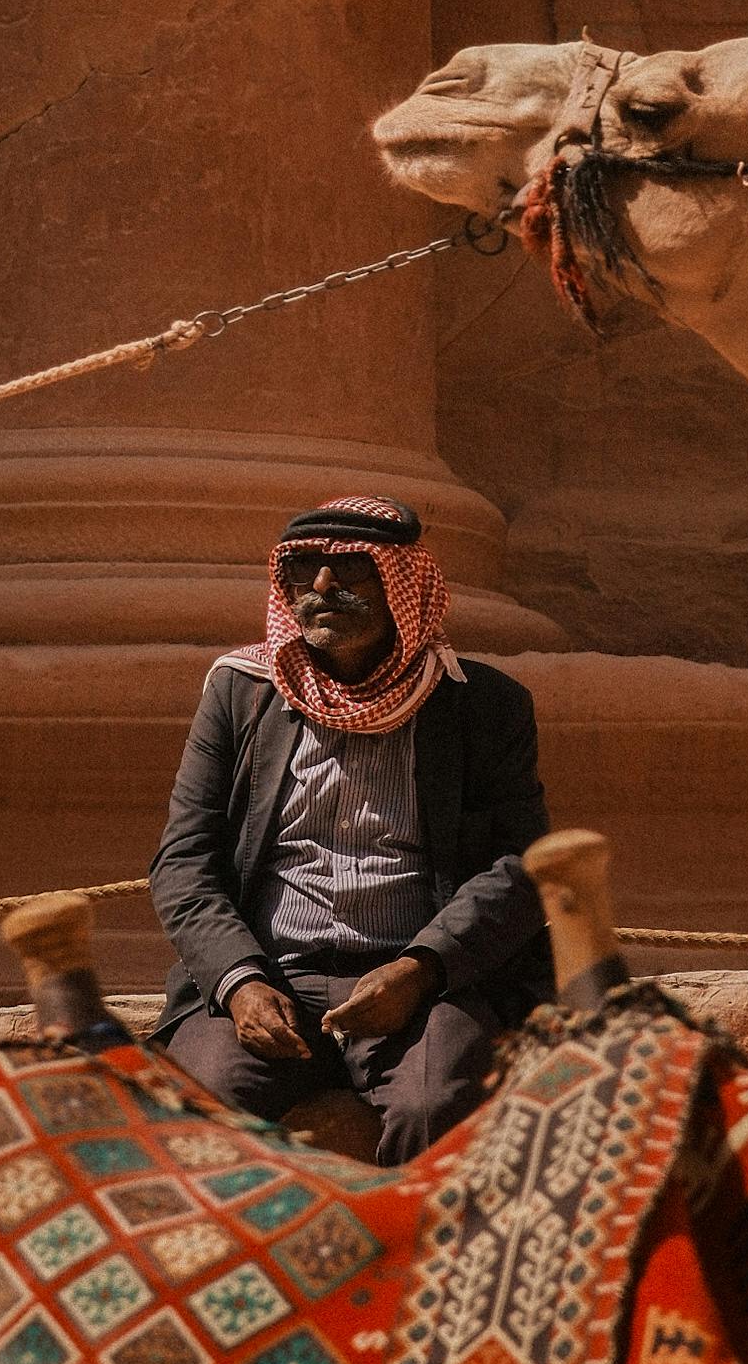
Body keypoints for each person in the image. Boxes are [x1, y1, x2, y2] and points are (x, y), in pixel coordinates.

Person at [150, 494, 550, 1165]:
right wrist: (238, 981)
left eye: (350, 571)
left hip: (421, 983)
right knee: (196, 1106)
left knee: (440, 1109)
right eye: (302, 573)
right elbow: (184, 860)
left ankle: (422, 1271)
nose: (322, 590)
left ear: (404, 585)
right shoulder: (240, 694)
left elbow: (518, 865)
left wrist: (421, 969)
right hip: (270, 975)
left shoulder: (482, 705)